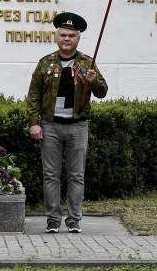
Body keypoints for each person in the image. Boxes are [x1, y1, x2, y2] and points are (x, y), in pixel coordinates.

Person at [26, 12, 108, 233]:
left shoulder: (87, 63)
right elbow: (33, 96)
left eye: (71, 35)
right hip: (50, 125)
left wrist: (94, 80)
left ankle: (74, 220)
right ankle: (53, 220)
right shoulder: (45, 63)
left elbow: (102, 92)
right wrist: (34, 123)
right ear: (56, 36)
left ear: (78, 38)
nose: (66, 39)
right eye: (63, 34)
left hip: (77, 126)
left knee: (76, 175)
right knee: (50, 175)